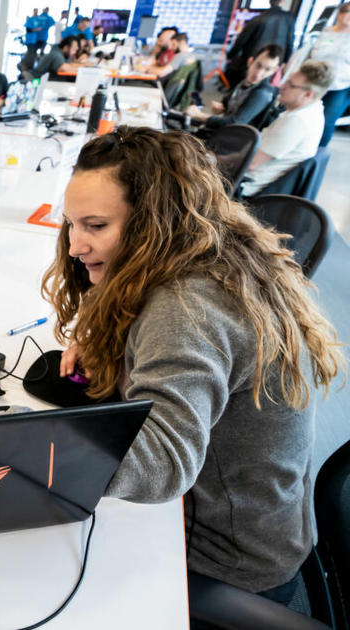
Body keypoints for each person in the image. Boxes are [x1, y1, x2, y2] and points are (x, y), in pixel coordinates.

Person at [43, 126, 343, 606]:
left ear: (152, 223)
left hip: (223, 560)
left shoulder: (186, 305)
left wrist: (29, 454)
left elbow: (162, 460)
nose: (76, 246)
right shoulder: (214, 252)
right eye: (72, 224)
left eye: (96, 226)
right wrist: (105, 338)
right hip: (262, 527)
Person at [240, 60, 334, 197]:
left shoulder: (297, 121)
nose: (281, 86)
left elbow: (251, 163)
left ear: (308, 94)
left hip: (244, 187)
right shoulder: (314, 110)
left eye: (290, 85)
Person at [187, 44, 282, 130]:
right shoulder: (244, 82)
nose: (258, 74)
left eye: (267, 69)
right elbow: (226, 101)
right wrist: (222, 106)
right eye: (258, 65)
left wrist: (200, 115)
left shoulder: (262, 93)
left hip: (236, 142)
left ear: (273, 71)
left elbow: (235, 123)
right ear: (250, 62)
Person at [306, 3, 350, 146]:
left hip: (340, 86)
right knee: (306, 117)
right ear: (339, 13)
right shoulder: (324, 32)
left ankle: (317, 155)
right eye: (347, 12)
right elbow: (310, 54)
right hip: (315, 82)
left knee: (327, 121)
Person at [225, 0, 295, 88]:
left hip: (255, 60)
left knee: (246, 87)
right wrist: (285, 62)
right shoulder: (289, 18)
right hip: (274, 62)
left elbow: (241, 41)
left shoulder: (257, 19)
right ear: (282, 1)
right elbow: (290, 42)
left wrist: (230, 56)